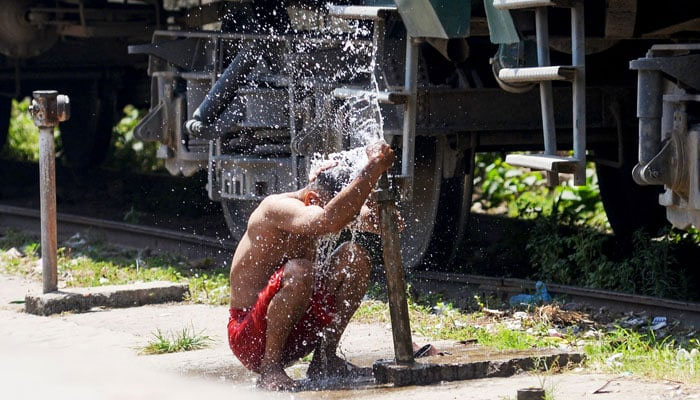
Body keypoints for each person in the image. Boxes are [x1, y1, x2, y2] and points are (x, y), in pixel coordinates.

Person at [227, 142, 395, 391]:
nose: (345, 217)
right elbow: (330, 218)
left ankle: (325, 360)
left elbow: (368, 219)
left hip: (297, 329)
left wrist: (378, 198)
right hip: (251, 339)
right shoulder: (276, 208)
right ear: (313, 198)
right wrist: (371, 168)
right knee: (300, 270)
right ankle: (270, 369)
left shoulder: (316, 202)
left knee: (354, 256)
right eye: (331, 204)